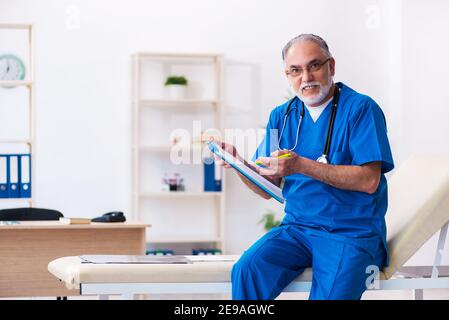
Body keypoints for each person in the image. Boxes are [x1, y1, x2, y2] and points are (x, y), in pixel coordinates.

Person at [216, 34, 394, 300]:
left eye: (314, 65)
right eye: (295, 70)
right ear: (287, 75)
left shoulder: (361, 109)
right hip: (297, 229)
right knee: (247, 270)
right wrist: (238, 163)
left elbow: (369, 180)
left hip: (350, 233)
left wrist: (301, 165)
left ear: (331, 66)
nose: (306, 77)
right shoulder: (282, 115)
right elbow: (267, 188)